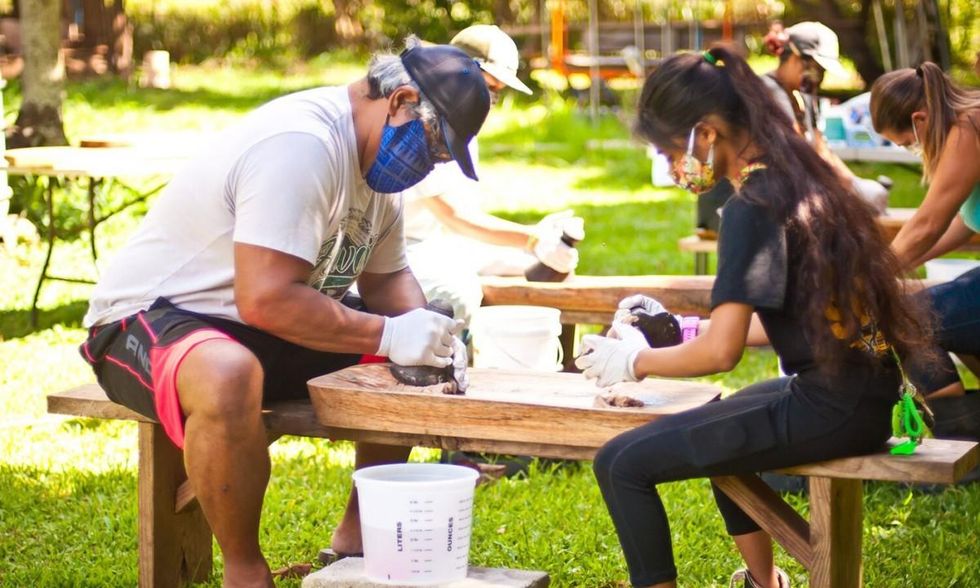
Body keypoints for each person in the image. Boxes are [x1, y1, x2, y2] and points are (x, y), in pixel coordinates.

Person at [78, 39, 490, 587]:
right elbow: (267, 297)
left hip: (257, 328)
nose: (430, 166)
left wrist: (430, 336)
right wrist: (393, 332)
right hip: (152, 319)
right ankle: (245, 571)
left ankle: (359, 534)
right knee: (229, 374)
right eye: (435, 148)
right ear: (401, 102)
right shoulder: (303, 145)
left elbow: (388, 280)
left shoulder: (375, 177)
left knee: (412, 364)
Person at [575, 46, 933, 588]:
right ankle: (765, 581)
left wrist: (632, 360)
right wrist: (688, 331)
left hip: (832, 407)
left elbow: (723, 353)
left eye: (672, 152)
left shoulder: (750, 208)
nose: (674, 169)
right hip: (864, 394)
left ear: (706, 133)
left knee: (620, 464)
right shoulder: (797, 176)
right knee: (723, 420)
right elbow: (792, 312)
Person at [402, 24, 583, 325]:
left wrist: (541, 244)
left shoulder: (465, 122)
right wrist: (531, 238)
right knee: (458, 294)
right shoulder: (423, 119)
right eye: (488, 87)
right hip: (401, 247)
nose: (490, 100)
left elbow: (463, 218)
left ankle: (558, 366)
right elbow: (454, 216)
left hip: (441, 244)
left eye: (497, 92)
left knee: (550, 271)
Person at [869, 62, 980, 433]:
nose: (916, 151)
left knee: (907, 320)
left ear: (919, 120)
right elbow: (964, 224)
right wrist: (894, 266)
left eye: (909, 144)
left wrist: (869, 278)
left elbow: (929, 222)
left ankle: (962, 448)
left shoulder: (968, 129)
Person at [762, 21, 890, 213]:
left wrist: (856, 185)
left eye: (822, 72)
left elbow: (820, 149)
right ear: (796, 57)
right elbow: (799, 151)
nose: (818, 78)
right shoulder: (768, 93)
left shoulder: (801, 97)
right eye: (816, 68)